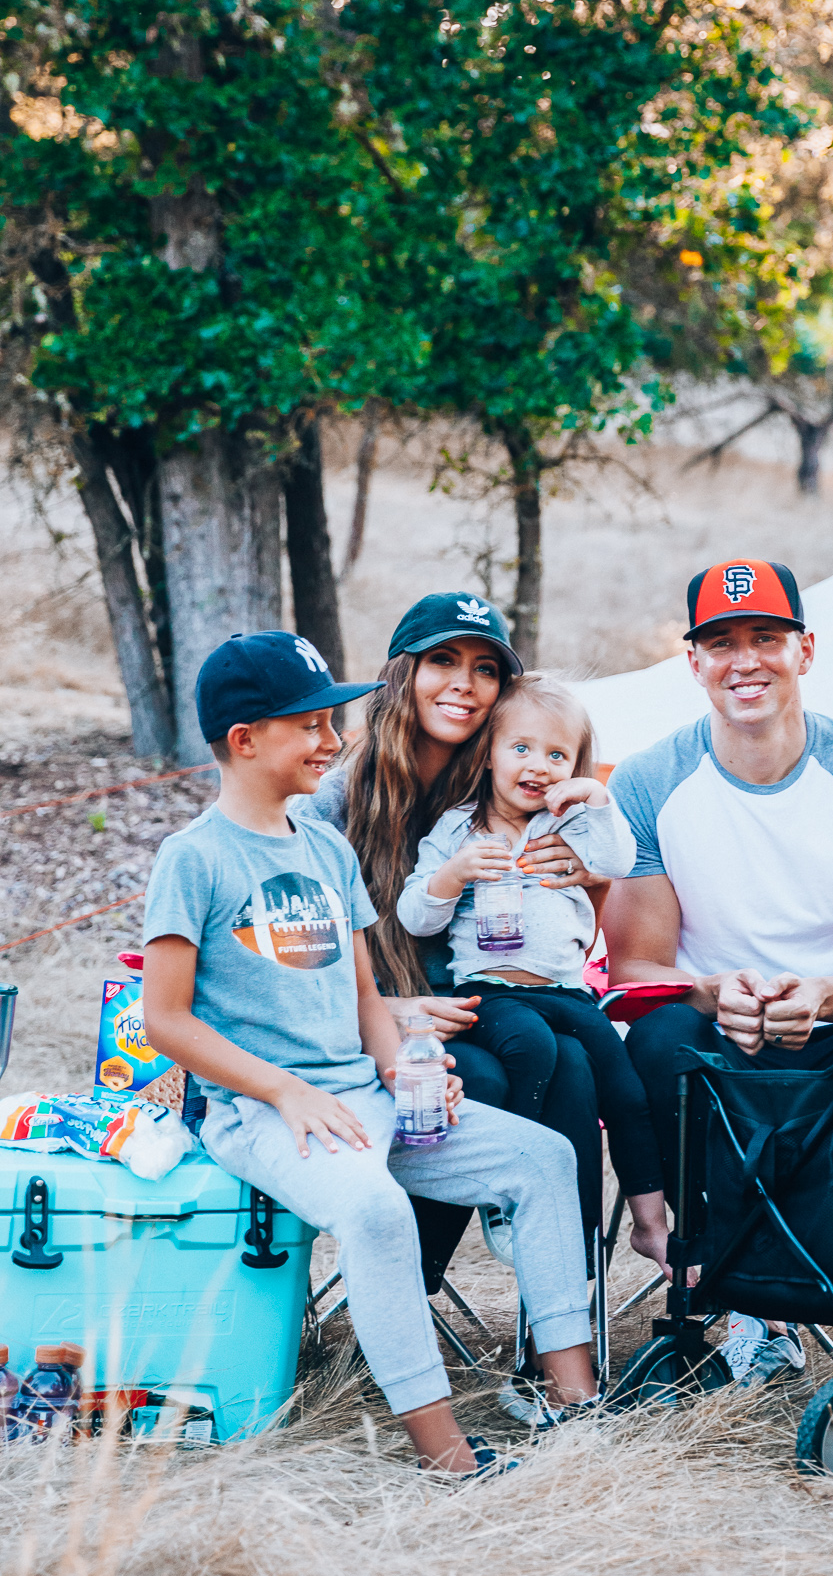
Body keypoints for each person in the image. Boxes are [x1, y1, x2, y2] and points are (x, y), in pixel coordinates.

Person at [141, 632, 599, 1476]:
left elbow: (360, 998)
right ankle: (447, 1455)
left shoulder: (324, 849)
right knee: (378, 1213)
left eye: (332, 721)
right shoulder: (193, 858)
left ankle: (579, 1410)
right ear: (244, 739)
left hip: (366, 1092)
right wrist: (284, 1092)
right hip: (259, 1111)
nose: (332, 740)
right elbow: (165, 1019)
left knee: (544, 1159)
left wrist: (403, 1068)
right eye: (310, 725)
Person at [603, 558, 833, 1391]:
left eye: (765, 639)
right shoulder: (647, 781)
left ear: (804, 651)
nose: (745, 660)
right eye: (721, 642)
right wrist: (716, 993)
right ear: (692, 661)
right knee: (660, 1034)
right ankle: (748, 1307)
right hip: (723, 1030)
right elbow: (635, 965)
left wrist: (826, 996)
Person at [291, 593, 607, 1277]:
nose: (464, 682)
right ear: (403, 672)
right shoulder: (337, 798)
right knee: (483, 1076)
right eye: (443, 660)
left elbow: (572, 930)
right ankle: (407, 1279)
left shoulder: (511, 789)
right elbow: (295, 958)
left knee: (574, 1065)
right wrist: (391, 1011)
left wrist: (589, 876)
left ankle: (564, 1298)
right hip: (371, 1017)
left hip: (479, 1001)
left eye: (485, 668)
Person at [396, 672, 671, 1271]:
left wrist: (596, 799)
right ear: (488, 751)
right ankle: (506, 1196)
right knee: (531, 1048)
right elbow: (415, 916)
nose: (537, 765)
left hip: (567, 991)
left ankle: (650, 1225)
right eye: (519, 748)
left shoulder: (567, 827)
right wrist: (454, 875)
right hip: (491, 992)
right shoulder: (457, 830)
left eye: (556, 755)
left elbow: (619, 860)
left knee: (624, 1087)